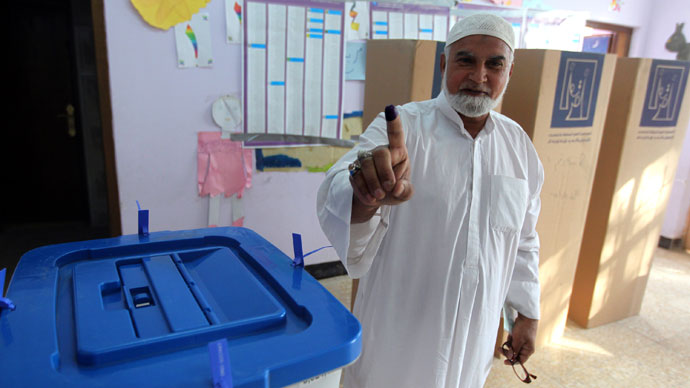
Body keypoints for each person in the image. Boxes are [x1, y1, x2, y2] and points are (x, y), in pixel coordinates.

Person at [316, 13, 544, 388]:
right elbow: (340, 187)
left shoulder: (518, 147)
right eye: (466, 60)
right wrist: (367, 192)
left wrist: (528, 314)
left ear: (509, 72)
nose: (479, 76)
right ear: (444, 63)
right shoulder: (405, 126)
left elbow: (523, 239)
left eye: (494, 65)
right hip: (397, 340)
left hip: (473, 341)